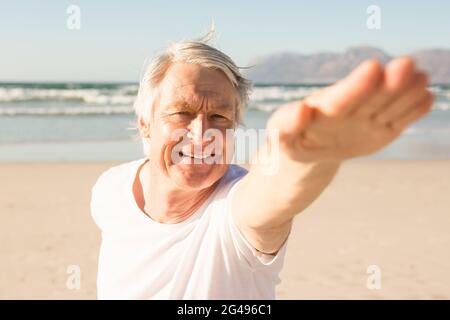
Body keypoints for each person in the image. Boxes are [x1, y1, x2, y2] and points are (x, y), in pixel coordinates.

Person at [90, 36, 433, 299]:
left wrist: (310, 152)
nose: (201, 134)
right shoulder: (110, 191)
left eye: (220, 117)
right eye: (182, 112)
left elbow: (273, 192)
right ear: (146, 123)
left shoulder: (234, 209)